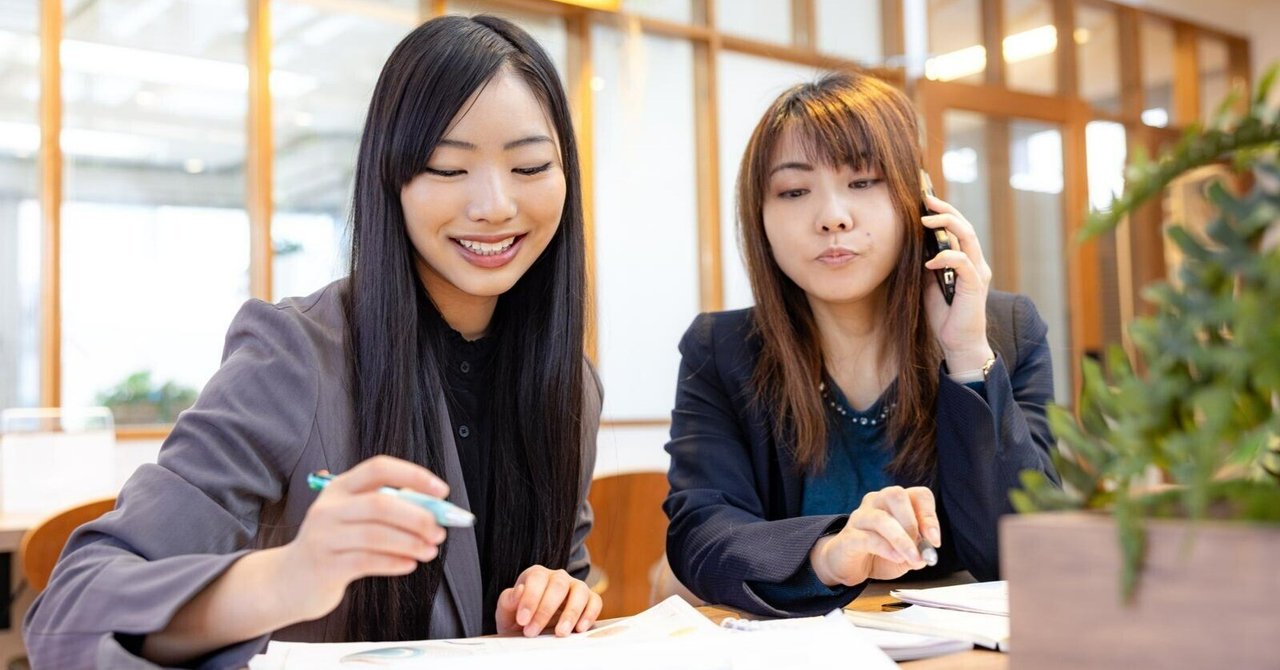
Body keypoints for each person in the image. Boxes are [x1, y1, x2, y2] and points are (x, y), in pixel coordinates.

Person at [25, 14, 602, 669]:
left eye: (529, 165)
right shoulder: (293, 356)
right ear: (392, 180)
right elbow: (72, 614)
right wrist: (289, 578)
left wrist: (552, 603)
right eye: (447, 168)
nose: (495, 204)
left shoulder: (569, 384)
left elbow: (565, 582)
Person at [663, 71, 1060, 617]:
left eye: (863, 182)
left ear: (917, 199)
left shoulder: (1007, 332)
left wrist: (967, 355)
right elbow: (702, 536)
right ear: (761, 218)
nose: (832, 218)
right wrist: (830, 554)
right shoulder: (722, 349)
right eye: (794, 191)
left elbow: (1027, 553)